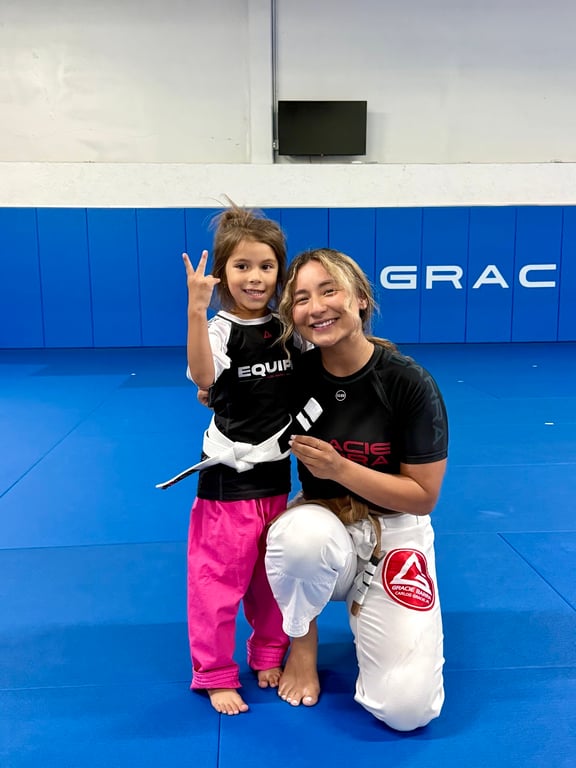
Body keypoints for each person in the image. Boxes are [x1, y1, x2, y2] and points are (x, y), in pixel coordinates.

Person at [265, 248, 448, 732]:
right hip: (324, 522)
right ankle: (302, 643)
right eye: (301, 298)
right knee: (297, 539)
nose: (316, 307)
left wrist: (340, 467)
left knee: (408, 710)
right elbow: (224, 387)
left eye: (329, 291)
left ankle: (375, 609)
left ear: (361, 299)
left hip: (395, 531)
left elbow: (423, 496)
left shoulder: (407, 382)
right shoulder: (295, 377)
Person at [176, 205, 308, 715]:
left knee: (272, 577)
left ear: (280, 272)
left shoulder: (286, 328)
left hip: (277, 476)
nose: (255, 277)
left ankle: (269, 651)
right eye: (242, 266)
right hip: (228, 481)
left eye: (266, 266)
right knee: (217, 582)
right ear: (223, 272)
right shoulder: (219, 329)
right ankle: (214, 672)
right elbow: (204, 377)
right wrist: (196, 311)